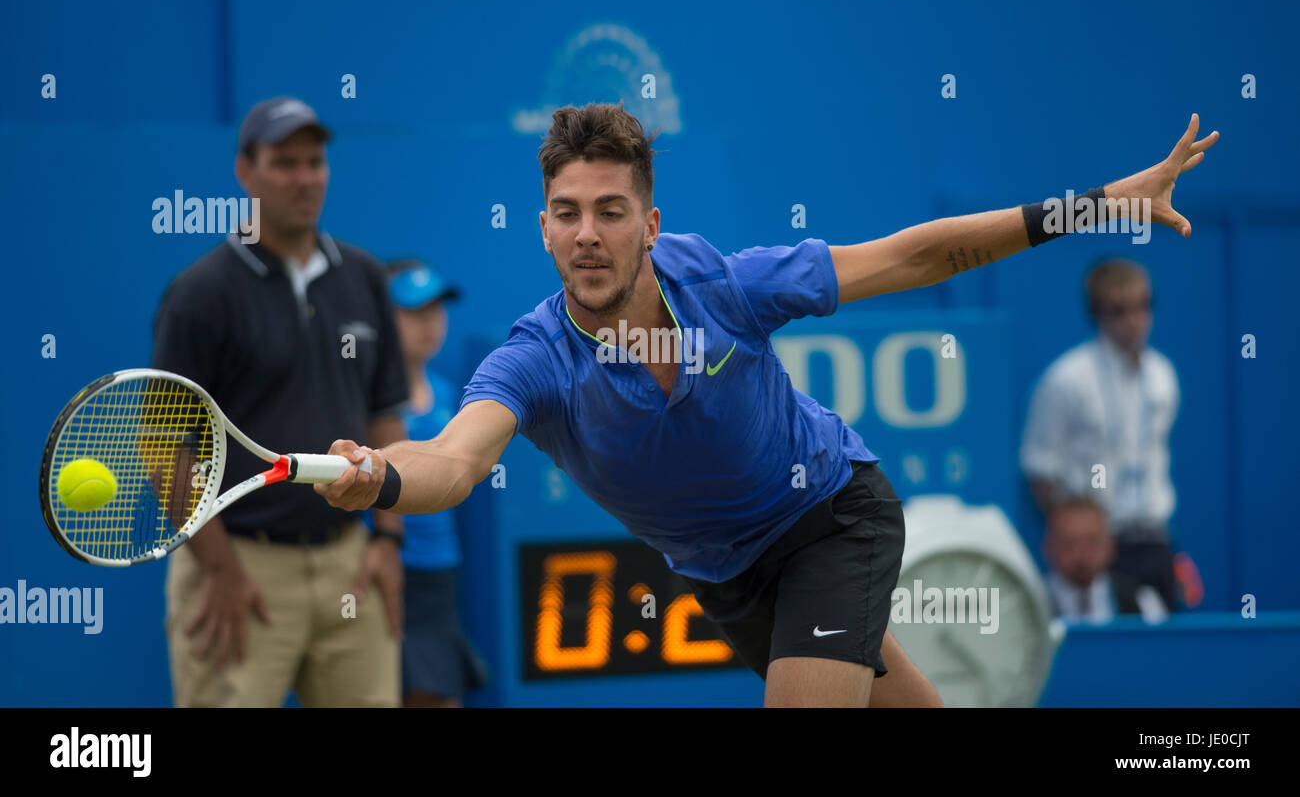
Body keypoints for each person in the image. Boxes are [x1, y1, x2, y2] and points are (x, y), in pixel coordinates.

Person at [316, 103, 1217, 707]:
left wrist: (1097, 205)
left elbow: (916, 257)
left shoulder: (724, 284)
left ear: (652, 224)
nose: (588, 232)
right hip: (729, 581)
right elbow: (457, 460)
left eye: (612, 210)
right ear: (544, 227)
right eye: (566, 212)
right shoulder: (536, 358)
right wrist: (383, 476)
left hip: (832, 518)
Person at [153, 96, 409, 707]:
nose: (304, 178)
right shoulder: (200, 293)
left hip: (351, 562)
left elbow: (386, 417)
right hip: (238, 567)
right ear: (246, 172)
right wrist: (218, 568)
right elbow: (166, 450)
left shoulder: (365, 277)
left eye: (315, 162)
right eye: (284, 163)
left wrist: (388, 542)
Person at [1021, 258, 1181, 611]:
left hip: (1155, 538)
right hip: (1097, 550)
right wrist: (1078, 542)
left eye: (1142, 305)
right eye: (1119, 310)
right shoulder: (1065, 379)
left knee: (1167, 651)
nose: (1133, 320)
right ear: (1097, 314)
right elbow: (1040, 470)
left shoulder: (1163, 375)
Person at [385, 259, 487, 707]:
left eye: (436, 310)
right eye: (413, 311)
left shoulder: (449, 394)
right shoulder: (364, 403)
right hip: (387, 575)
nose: (430, 324)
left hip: (440, 574)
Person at [1043, 497, 1168, 623]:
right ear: (1049, 547)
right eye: (1068, 543)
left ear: (1110, 546)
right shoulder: (1032, 605)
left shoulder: (1143, 602)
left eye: (1092, 542)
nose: (1080, 554)